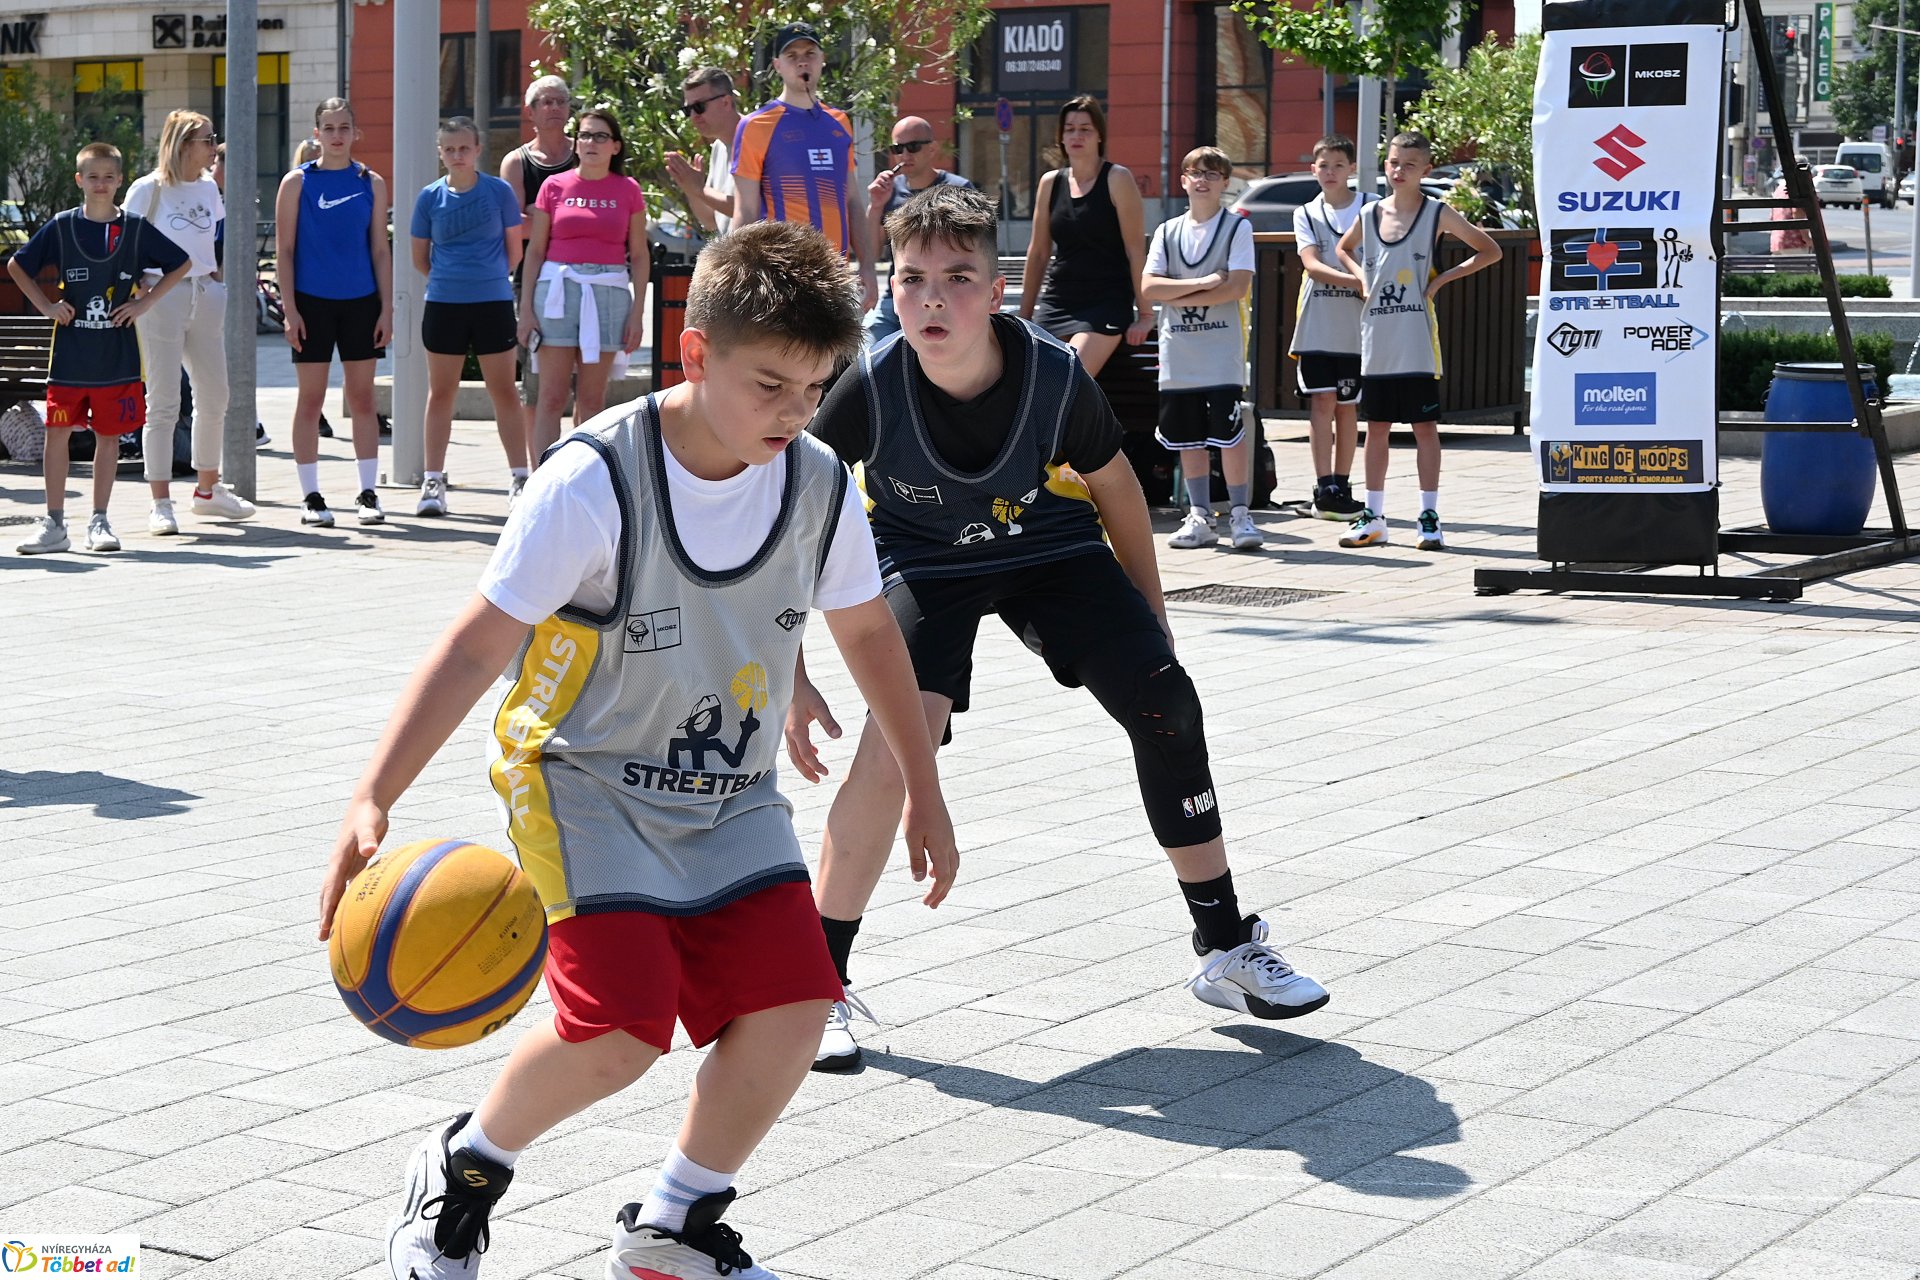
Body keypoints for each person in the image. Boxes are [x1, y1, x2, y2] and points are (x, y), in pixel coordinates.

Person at [317, 221, 956, 1280]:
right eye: (770, 386)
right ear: (695, 353)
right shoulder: (592, 482)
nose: (795, 413)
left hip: (730, 789)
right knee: (620, 1029)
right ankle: (462, 1173)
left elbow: (869, 631)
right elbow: (481, 643)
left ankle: (673, 1222)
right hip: (583, 774)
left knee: (798, 1007)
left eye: (815, 388)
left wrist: (922, 788)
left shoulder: (821, 484)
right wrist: (372, 791)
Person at [792, 186, 1329, 1072]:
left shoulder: (1050, 372)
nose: (933, 299)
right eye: (913, 279)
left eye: (958, 278)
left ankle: (1226, 946)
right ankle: (818, 985)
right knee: (898, 742)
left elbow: (1116, 486)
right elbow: (791, 511)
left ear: (996, 290)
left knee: (1168, 704)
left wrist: (1154, 625)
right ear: (888, 291)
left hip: (1050, 547)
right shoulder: (870, 384)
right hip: (924, 559)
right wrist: (792, 669)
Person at [8, 142, 193, 555]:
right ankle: (54, 522)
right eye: (93, 176)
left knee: (108, 437)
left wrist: (144, 303)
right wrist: (46, 305)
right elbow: (18, 265)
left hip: (118, 358)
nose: (101, 184)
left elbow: (180, 263)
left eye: (109, 176)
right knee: (57, 434)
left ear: (120, 180)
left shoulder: (134, 228)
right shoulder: (62, 226)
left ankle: (100, 520)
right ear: (80, 180)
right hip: (70, 357)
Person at [1334, 131, 1501, 551]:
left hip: (1418, 343)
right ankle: (1374, 517)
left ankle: (1429, 516)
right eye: (1393, 162)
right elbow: (1342, 249)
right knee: (1376, 428)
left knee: (1425, 427)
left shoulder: (1437, 213)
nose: (1398, 170)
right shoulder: (1370, 213)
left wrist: (1443, 278)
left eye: (1409, 164)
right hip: (1377, 342)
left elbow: (1489, 251)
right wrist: (1359, 276)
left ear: (1426, 170)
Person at [125, 110, 256, 534]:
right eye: (206, 138)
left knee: (215, 394)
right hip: (160, 298)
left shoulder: (206, 188)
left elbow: (209, 241)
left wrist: (216, 280)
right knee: (163, 401)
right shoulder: (148, 190)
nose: (213, 146)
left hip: (205, 293)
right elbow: (125, 244)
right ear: (183, 144)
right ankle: (160, 502)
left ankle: (207, 490)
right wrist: (138, 295)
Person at [275, 97, 394, 529]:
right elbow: (284, 253)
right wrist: (290, 311)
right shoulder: (297, 183)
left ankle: (367, 492)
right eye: (329, 127)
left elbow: (381, 250)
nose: (337, 135)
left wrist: (387, 309)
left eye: (345, 127)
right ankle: (310, 496)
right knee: (311, 400)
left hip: (361, 302)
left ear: (354, 132)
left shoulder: (371, 183)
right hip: (312, 303)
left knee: (363, 400)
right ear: (316, 133)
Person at [1141, 146, 1259, 552]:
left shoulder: (1236, 228)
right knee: (1188, 439)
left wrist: (1181, 291)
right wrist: (1207, 283)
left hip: (1221, 352)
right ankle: (1200, 515)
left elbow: (1238, 286)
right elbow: (1150, 287)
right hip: (1180, 354)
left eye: (1212, 173)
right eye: (1195, 172)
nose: (1203, 179)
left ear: (1225, 183)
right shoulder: (1167, 231)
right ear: (1183, 180)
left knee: (1229, 435)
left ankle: (1241, 514)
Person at [516, 105, 648, 464]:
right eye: (585, 135)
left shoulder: (628, 190)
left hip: (608, 295)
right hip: (557, 293)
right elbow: (536, 250)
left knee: (592, 400)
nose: (591, 142)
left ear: (615, 147)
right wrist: (525, 310)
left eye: (600, 136)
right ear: (576, 143)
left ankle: (583, 478)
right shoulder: (553, 186)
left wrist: (637, 314)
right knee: (551, 397)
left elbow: (638, 255)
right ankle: (542, 480)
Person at [410, 116, 528, 516]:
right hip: (444, 302)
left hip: (492, 301)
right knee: (441, 393)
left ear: (478, 150)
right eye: (449, 149)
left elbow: (515, 252)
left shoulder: (499, 193)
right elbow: (418, 258)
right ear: (439, 152)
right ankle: (433, 481)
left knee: (504, 391)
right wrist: (452, 280)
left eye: (464, 148)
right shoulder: (429, 197)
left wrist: (487, 278)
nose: (457, 155)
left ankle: (520, 476)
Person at [731, 21, 879, 314]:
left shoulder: (840, 122)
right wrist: (737, 276)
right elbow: (744, 211)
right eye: (792, 55)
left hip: (837, 275)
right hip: (783, 276)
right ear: (777, 65)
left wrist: (869, 268)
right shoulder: (756, 125)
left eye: (810, 53)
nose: (802, 61)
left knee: (842, 361)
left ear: (822, 59)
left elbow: (851, 201)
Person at [1018, 95, 1152, 378]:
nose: (1076, 135)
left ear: (1099, 135)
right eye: (1069, 129)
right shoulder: (1050, 183)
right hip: (1058, 300)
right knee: (1030, 374)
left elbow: (1135, 250)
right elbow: (1039, 252)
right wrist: (1024, 316)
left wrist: (1146, 315)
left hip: (1105, 302)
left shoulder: (1118, 178)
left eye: (1085, 129)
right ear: (1061, 137)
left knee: (1068, 374)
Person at [1289, 134, 1374, 522]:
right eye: (1323, 165)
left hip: (1359, 327)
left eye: (1338, 165)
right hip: (1318, 323)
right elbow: (1311, 263)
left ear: (1351, 169)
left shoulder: (1371, 207)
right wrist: (1357, 282)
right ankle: (1324, 486)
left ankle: (1343, 481)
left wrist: (1366, 282)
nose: (1330, 172)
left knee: (1348, 405)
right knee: (1322, 402)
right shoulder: (1305, 213)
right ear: (1313, 169)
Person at [501, 75, 578, 469]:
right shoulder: (517, 162)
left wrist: (542, 218)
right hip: (534, 278)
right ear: (530, 112)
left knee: (585, 386)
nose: (552, 108)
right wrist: (572, 219)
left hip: (586, 276)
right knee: (538, 386)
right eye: (544, 102)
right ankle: (537, 473)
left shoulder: (585, 153)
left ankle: (585, 468)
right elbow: (513, 226)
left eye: (559, 101)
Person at [863, 116, 975, 344]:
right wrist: (875, 206)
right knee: (866, 357)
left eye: (913, 147)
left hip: (945, 297)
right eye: (898, 148)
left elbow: (974, 252)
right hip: (898, 297)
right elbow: (871, 253)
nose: (905, 155)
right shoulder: (889, 191)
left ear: (932, 148)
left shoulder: (958, 189)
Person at [665, 66, 740, 238]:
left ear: (726, 102)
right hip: (732, 258)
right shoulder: (719, 148)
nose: (693, 116)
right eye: (687, 110)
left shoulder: (758, 139)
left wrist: (699, 189)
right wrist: (690, 187)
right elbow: (710, 221)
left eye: (699, 107)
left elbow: (749, 208)